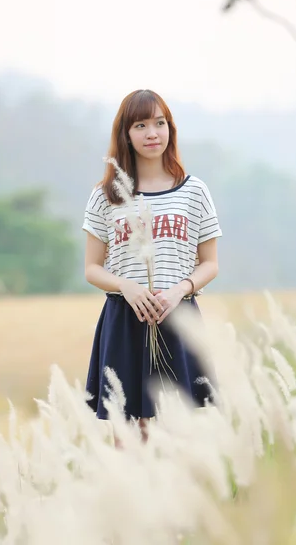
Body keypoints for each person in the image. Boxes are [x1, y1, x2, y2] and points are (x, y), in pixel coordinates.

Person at [82, 89, 222, 441]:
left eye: (160, 123)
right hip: (125, 319)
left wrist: (180, 291)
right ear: (125, 134)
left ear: (170, 129)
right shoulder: (106, 195)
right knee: (126, 435)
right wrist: (127, 287)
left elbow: (210, 264)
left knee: (177, 431)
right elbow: (92, 268)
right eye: (140, 125)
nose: (152, 133)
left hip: (178, 318)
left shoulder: (193, 191)